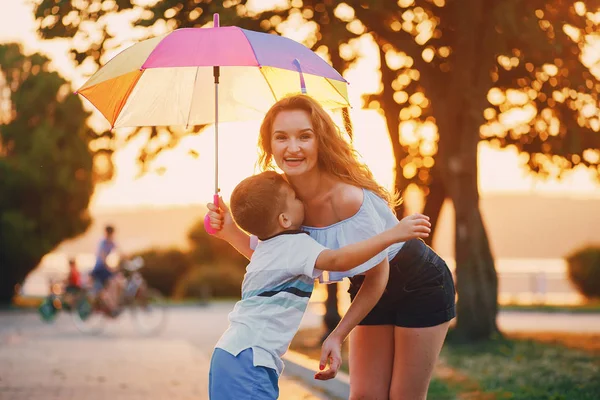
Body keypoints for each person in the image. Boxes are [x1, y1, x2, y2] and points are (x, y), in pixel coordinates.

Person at [207, 94, 456, 400]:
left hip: (420, 282)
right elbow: (277, 260)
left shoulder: (346, 199)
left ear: (320, 141)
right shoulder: (279, 196)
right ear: (269, 144)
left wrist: (337, 334)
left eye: (304, 136)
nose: (293, 147)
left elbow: (379, 274)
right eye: (281, 137)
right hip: (368, 286)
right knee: (365, 395)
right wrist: (229, 230)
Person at [209, 171, 431, 400]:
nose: (301, 200)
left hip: (229, 355)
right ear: (284, 220)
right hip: (251, 359)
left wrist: (229, 229)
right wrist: (392, 235)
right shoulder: (294, 244)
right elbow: (337, 259)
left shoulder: (266, 248)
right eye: (295, 197)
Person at [90, 225, 122, 316]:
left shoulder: (112, 243)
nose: (111, 235)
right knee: (112, 283)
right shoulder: (102, 243)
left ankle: (114, 304)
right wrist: (110, 268)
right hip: (99, 268)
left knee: (119, 282)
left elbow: (120, 253)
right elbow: (102, 257)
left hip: (105, 268)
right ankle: (112, 307)